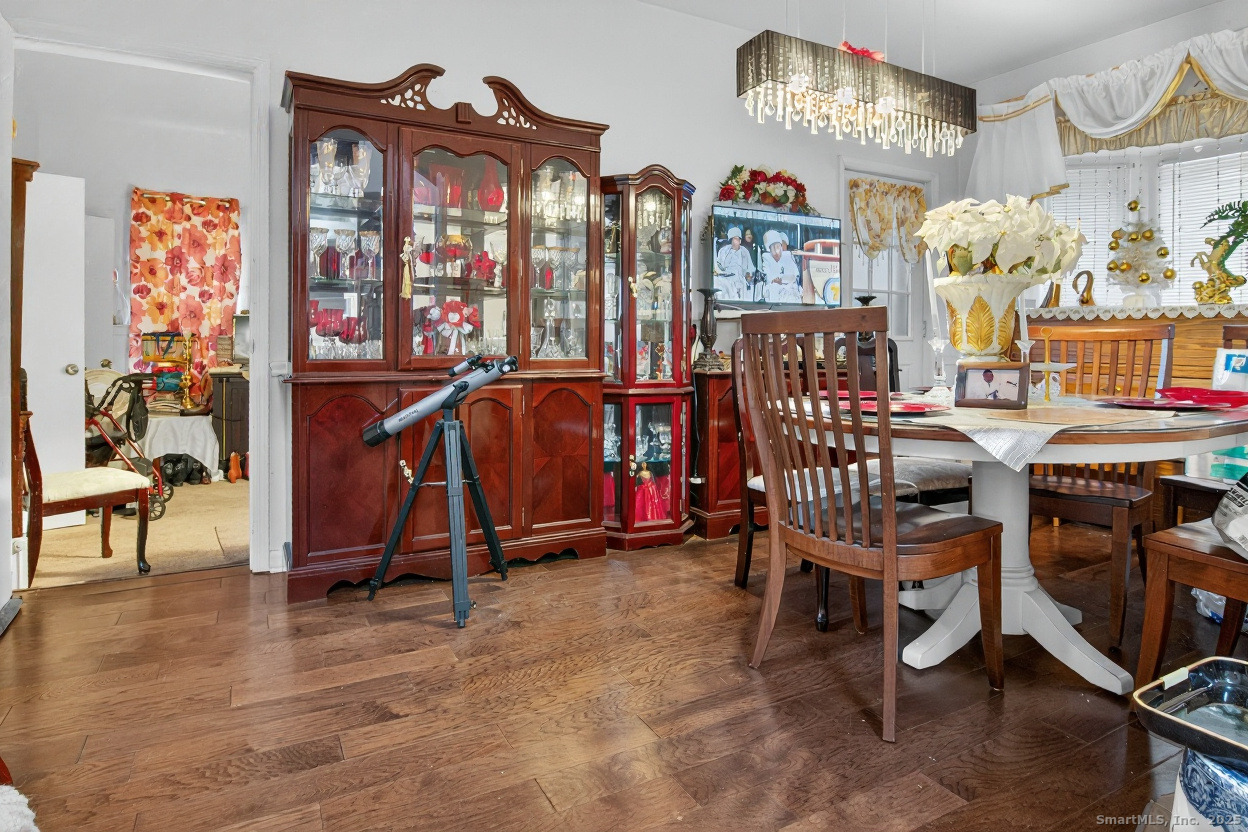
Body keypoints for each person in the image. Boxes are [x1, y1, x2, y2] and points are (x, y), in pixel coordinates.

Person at [760, 229, 801, 303]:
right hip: (774, 293)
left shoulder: (788, 256)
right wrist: (775, 281)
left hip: (790, 292)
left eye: (778, 246)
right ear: (769, 250)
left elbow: (795, 276)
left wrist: (782, 280)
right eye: (773, 248)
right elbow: (768, 278)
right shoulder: (766, 258)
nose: (776, 250)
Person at [714, 225, 752, 300]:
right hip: (726, 279)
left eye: (736, 239)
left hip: (740, 278)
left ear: (740, 241)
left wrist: (748, 274)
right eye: (733, 239)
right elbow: (718, 266)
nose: (734, 241)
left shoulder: (744, 251)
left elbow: (750, 268)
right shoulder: (723, 251)